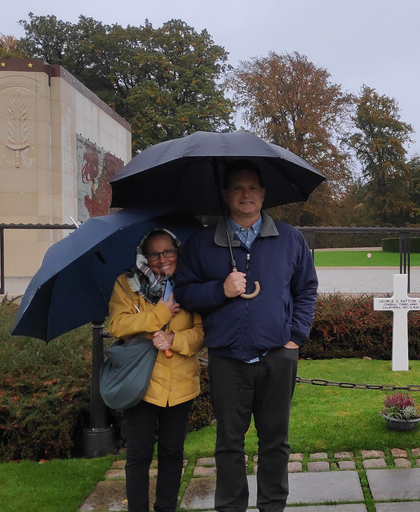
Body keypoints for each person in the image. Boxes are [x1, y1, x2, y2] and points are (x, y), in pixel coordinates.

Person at [174, 160, 318, 512]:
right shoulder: (202, 242)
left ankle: (272, 506)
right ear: (225, 194)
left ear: (264, 193)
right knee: (228, 443)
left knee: (275, 442)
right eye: (237, 187)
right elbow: (186, 293)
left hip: (277, 355)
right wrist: (221, 290)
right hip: (227, 358)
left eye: (252, 187)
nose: (246, 194)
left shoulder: (290, 239)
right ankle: (231, 506)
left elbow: (306, 289)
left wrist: (295, 337)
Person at [108, 229, 204, 512]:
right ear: (144, 256)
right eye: (154, 253)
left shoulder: (191, 285)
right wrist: (160, 314)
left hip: (180, 384)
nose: (162, 259)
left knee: (172, 453)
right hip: (141, 384)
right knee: (138, 455)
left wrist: (175, 339)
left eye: (168, 252)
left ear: (178, 252)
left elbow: (201, 333)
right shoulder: (126, 284)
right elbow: (117, 325)